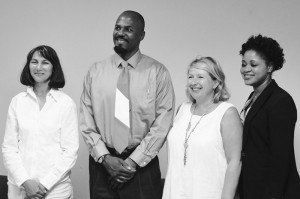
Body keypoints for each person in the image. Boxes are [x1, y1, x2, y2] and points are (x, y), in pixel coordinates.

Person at [80, 10, 175, 199]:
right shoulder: (95, 71)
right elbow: (86, 120)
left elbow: (163, 124)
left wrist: (131, 163)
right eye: (117, 28)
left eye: (128, 29)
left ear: (142, 35)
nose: (120, 33)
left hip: (142, 167)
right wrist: (106, 159)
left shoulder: (158, 73)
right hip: (102, 166)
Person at [2, 45, 79, 199]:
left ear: (53, 67)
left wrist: (44, 184)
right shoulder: (17, 102)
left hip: (55, 190)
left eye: (45, 62)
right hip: (20, 188)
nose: (38, 67)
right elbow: (9, 148)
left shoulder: (65, 103)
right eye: (34, 62)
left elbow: (70, 151)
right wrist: (25, 181)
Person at [162, 56, 242, 199]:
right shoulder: (182, 109)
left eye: (200, 77)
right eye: (190, 76)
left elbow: (234, 162)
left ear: (216, 82)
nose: (193, 82)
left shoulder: (227, 113)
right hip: (174, 193)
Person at [238, 34, 300, 199]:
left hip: (272, 191)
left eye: (253, 64)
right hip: (252, 186)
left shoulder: (281, 101)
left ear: (270, 67)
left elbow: (281, 157)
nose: (246, 69)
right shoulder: (253, 98)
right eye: (244, 64)